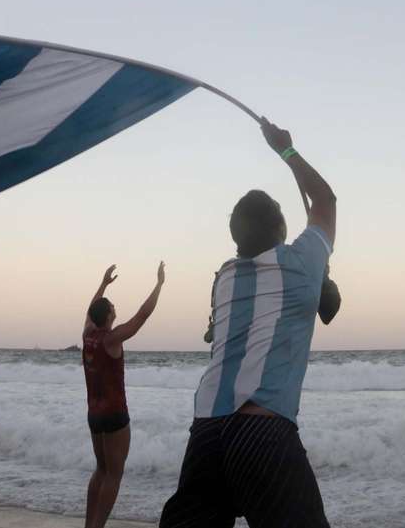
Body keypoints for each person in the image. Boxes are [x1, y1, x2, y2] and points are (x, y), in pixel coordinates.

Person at [160, 117, 336, 528]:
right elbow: (325, 200)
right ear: (280, 228)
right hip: (262, 431)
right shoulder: (300, 261)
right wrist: (286, 150)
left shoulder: (224, 277)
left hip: (205, 432)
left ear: (235, 237)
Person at [82, 261, 165, 528]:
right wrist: (159, 284)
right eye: (112, 307)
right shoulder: (111, 338)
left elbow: (90, 309)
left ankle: (88, 525)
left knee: (101, 470)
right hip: (115, 415)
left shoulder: (87, 335)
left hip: (94, 415)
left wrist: (104, 283)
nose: (116, 309)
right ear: (107, 316)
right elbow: (142, 315)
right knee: (114, 474)